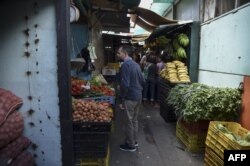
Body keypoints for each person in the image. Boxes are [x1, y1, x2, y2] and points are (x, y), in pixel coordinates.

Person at [116, 44, 145, 152]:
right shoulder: (136, 64)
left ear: (125, 53)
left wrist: (121, 98)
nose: (117, 55)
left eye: (119, 53)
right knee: (134, 120)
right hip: (138, 96)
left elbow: (125, 84)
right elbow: (143, 80)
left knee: (129, 122)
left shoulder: (125, 65)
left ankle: (130, 145)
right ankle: (134, 141)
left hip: (130, 98)